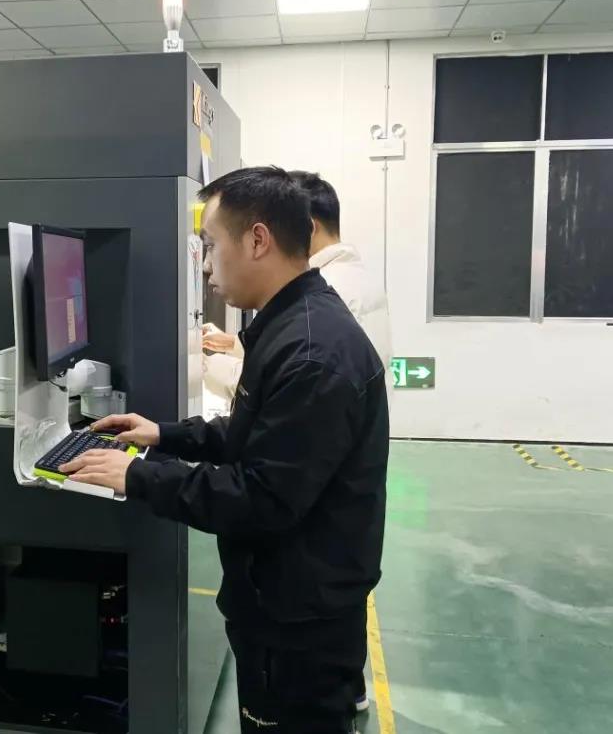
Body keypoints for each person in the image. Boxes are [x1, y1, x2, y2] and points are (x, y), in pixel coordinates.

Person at [60, 167, 389, 734]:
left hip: (297, 619)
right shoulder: (291, 325)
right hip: (286, 600)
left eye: (211, 246)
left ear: (258, 240)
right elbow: (256, 433)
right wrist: (165, 435)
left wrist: (137, 477)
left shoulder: (312, 354)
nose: (207, 267)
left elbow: (263, 497)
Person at [202, 171, 393, 405]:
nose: (207, 265)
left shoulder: (330, 290)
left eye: (211, 245)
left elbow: (294, 379)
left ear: (308, 226)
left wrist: (201, 365)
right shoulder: (355, 276)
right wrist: (234, 344)